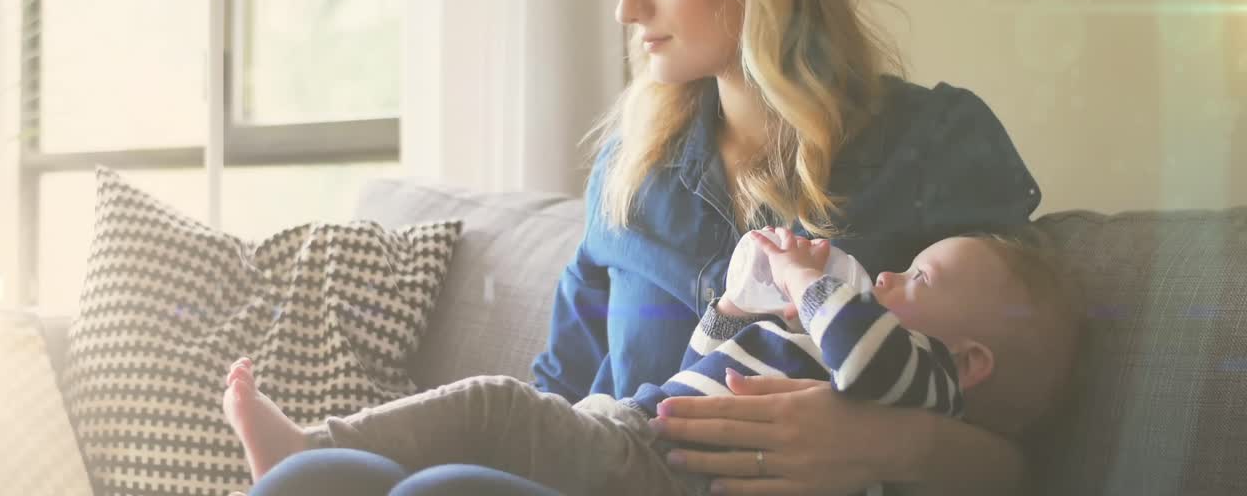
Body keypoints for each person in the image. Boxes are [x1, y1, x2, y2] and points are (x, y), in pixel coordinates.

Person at [250, 0, 1047, 496]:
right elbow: (555, 396)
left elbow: (1026, 452)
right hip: (610, 471)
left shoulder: (936, 148)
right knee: (321, 477)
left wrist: (883, 442)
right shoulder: (632, 169)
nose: (626, 7)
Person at [226, 230, 1077, 496]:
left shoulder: (918, 377)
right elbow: (698, 362)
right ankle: (306, 454)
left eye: (917, 277)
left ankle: (311, 440)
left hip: (652, 469)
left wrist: (810, 279)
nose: (888, 275)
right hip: (626, 430)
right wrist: (739, 308)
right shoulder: (845, 331)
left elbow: (868, 367)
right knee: (319, 486)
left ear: (971, 362)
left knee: (460, 453)